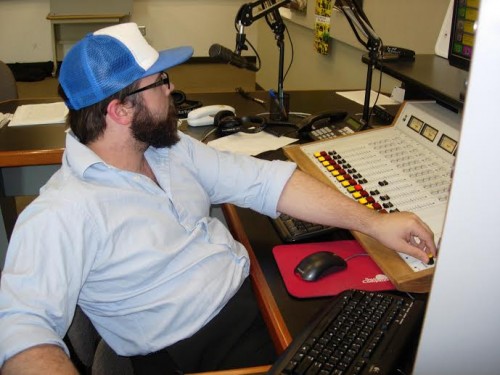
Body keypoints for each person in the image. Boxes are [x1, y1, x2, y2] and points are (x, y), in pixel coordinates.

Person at [0, 23, 436, 375]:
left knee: (399, 332)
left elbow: (268, 181)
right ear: (120, 110)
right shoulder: (62, 212)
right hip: (191, 349)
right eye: (161, 82)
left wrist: (376, 222)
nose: (171, 91)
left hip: (252, 298)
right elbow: (21, 331)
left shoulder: (169, 150)